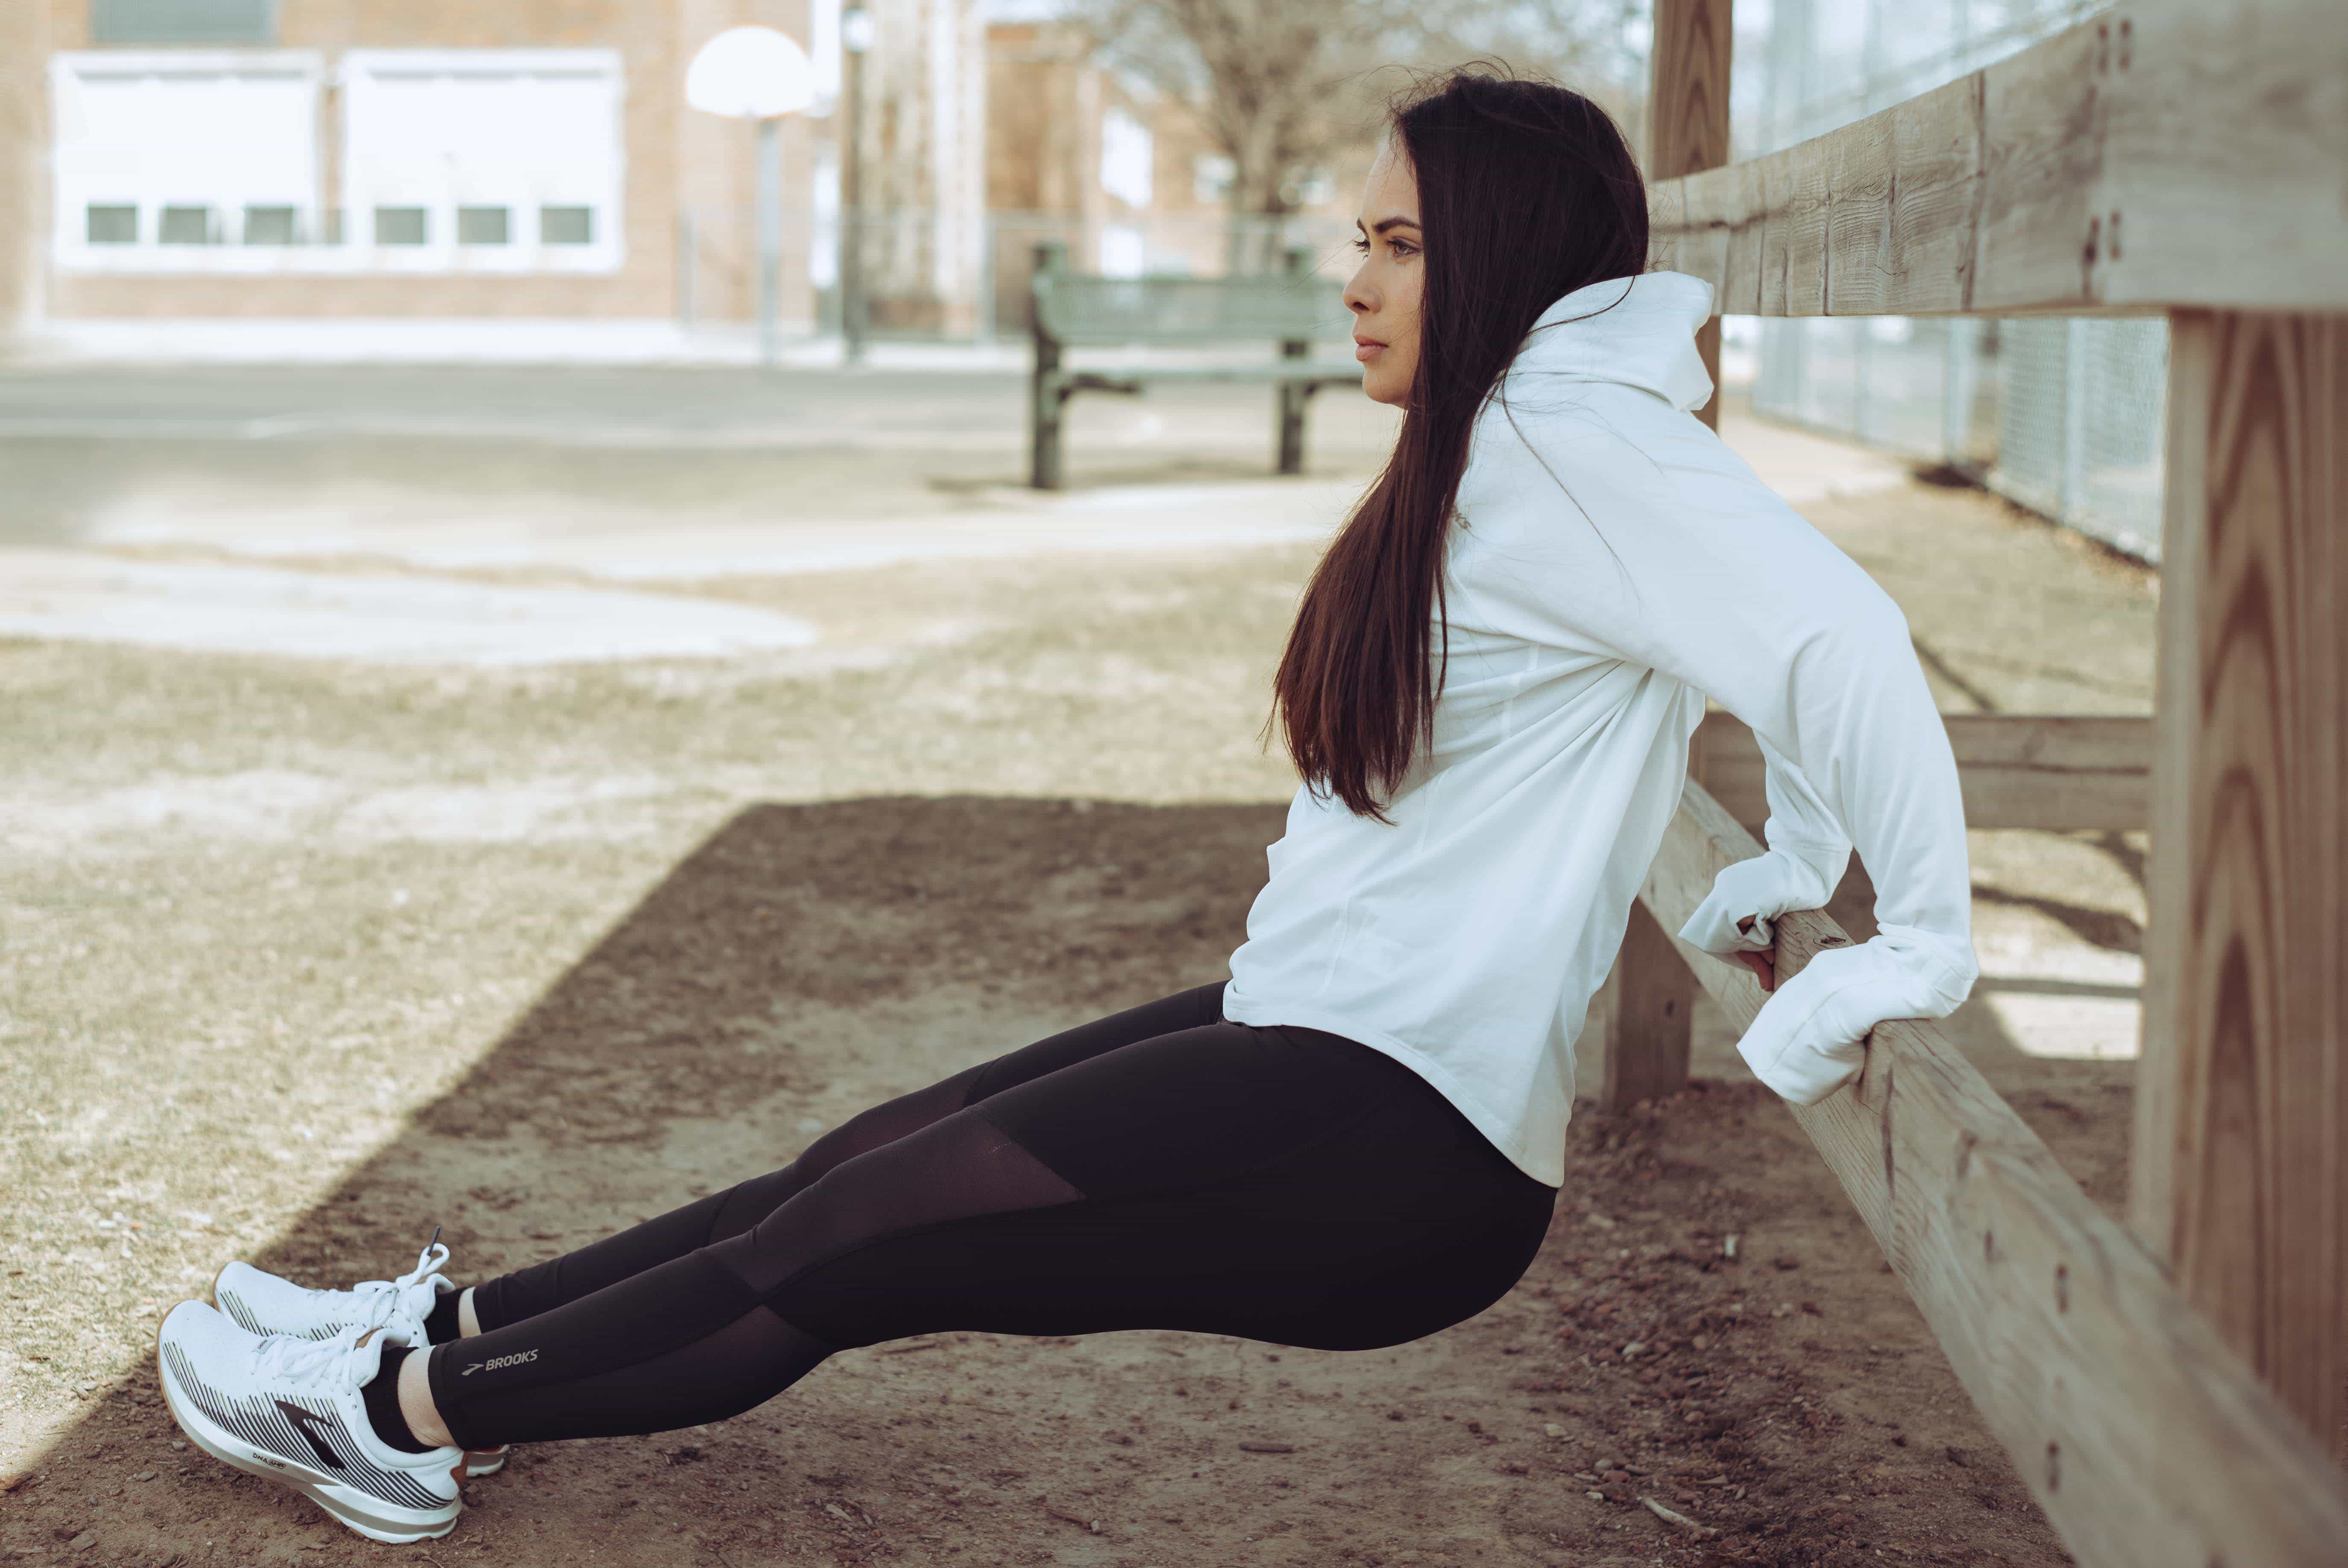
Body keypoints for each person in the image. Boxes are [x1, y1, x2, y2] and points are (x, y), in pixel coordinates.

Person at [153, 67, 1979, 1545]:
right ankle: (442, 1330)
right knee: (859, 1162)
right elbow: (1774, 626)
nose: (1354, 278)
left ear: (1496, 253)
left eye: (1402, 243)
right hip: (1323, 1044)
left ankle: (393, 1424)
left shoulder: (1574, 443)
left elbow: (1835, 630)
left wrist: (1917, 939)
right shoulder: (1533, 436)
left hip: (1392, 1141)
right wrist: (1797, 852)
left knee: (849, 1248)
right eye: (1358, 236)